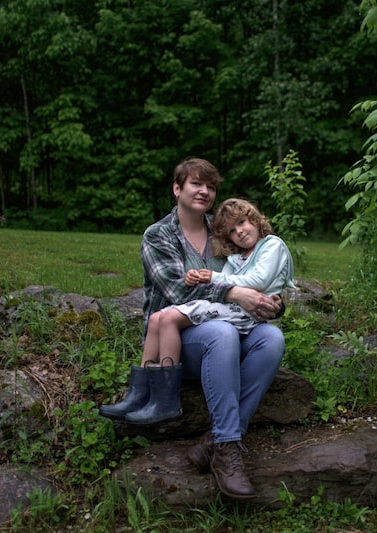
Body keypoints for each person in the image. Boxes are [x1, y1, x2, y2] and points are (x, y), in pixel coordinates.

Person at [99, 157, 284, 500]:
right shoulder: (158, 236)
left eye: (211, 186)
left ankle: (215, 440)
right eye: (196, 184)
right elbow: (177, 291)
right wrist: (235, 293)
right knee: (220, 333)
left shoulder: (225, 229)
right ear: (177, 188)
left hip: (233, 327)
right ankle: (228, 449)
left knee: (272, 338)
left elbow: (260, 271)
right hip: (178, 340)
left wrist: (271, 302)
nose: (204, 191)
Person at [124, 198, 294, 425]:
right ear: (177, 189)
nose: (240, 232)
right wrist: (201, 278)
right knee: (158, 317)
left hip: (235, 317)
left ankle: (215, 425)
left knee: (172, 318)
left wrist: (276, 306)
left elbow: (258, 280)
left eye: (243, 223)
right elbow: (188, 289)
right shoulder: (160, 235)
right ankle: (141, 393)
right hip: (207, 327)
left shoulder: (254, 240)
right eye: (233, 231)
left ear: (254, 219)